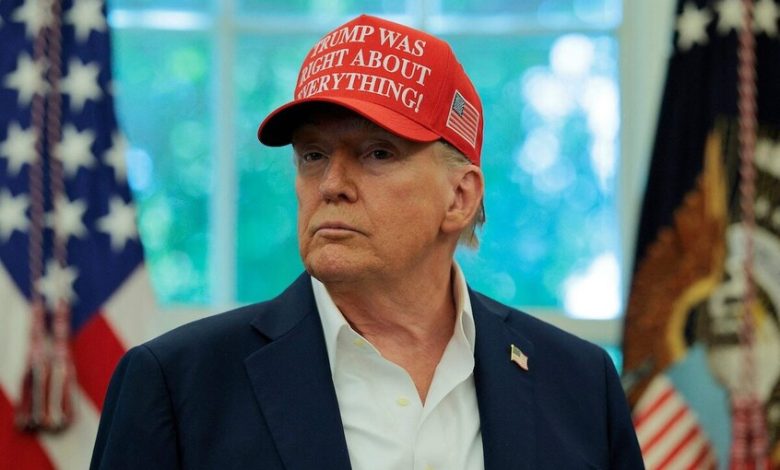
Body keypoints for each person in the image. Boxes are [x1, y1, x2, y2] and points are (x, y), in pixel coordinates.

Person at [91, 14, 644, 470]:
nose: (331, 184)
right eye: (313, 155)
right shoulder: (177, 384)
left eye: (377, 153)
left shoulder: (580, 384)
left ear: (459, 197)